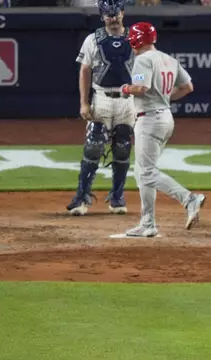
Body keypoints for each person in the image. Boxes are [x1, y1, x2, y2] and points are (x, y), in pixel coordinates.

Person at [119, 22, 206, 237]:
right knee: (142, 171)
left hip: (149, 120)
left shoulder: (142, 59)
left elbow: (141, 88)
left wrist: (125, 89)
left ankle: (189, 199)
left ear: (135, 40)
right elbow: (188, 87)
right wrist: (165, 98)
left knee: (147, 172)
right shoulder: (169, 59)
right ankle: (147, 223)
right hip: (165, 117)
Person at [66, 0, 135, 216]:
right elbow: (85, 70)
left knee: (123, 146)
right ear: (102, 16)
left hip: (127, 99)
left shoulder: (134, 37)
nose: (113, 19)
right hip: (102, 98)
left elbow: (144, 67)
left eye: (116, 14)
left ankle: (117, 197)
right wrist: (84, 102)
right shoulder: (92, 39)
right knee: (94, 146)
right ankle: (81, 197)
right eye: (108, 15)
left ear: (123, 13)